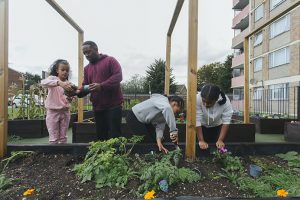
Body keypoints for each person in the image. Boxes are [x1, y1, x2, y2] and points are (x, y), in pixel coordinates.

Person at [76, 41, 123, 141]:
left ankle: (116, 156)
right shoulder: (87, 68)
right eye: (84, 53)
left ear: (96, 49)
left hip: (113, 106)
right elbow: (86, 86)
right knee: (101, 136)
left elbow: (118, 76)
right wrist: (78, 92)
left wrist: (101, 86)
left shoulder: (110, 60)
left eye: (88, 52)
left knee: (115, 135)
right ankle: (103, 156)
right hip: (98, 108)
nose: (86, 55)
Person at [41, 59, 75, 144]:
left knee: (63, 136)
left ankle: (63, 154)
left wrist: (70, 98)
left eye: (67, 70)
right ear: (57, 70)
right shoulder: (52, 79)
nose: (65, 72)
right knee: (53, 136)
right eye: (62, 70)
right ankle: (54, 153)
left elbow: (69, 98)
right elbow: (43, 83)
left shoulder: (69, 84)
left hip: (65, 112)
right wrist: (59, 83)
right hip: (53, 112)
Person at [196, 84, 233, 150]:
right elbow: (197, 120)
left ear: (216, 99)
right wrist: (201, 140)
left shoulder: (225, 101)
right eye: (203, 101)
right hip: (202, 126)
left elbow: (226, 121)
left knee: (219, 146)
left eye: (209, 102)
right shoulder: (197, 98)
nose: (205, 104)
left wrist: (220, 140)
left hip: (218, 126)